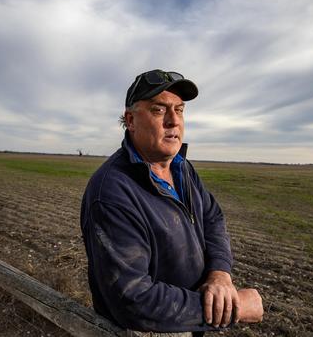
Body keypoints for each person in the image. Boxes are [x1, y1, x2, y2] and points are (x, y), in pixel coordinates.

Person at [80, 69, 263, 335]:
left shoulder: (182, 168)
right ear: (130, 120)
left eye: (179, 110)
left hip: (187, 326)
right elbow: (133, 300)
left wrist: (220, 273)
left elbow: (212, 218)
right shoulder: (112, 192)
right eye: (158, 110)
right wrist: (232, 308)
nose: (173, 121)